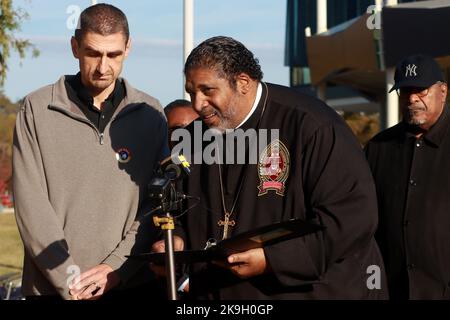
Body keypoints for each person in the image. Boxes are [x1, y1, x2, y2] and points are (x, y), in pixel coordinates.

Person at [154, 36, 388, 299]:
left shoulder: (312, 126)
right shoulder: (195, 138)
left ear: (242, 82)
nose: (197, 104)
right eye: (191, 92)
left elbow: (352, 219)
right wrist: (176, 241)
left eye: (207, 91)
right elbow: (181, 209)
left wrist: (272, 259)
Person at [13, 4, 168, 300]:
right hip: (53, 290)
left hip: (130, 285)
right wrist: (71, 281)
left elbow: (154, 205)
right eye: (93, 53)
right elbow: (30, 206)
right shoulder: (36, 108)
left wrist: (115, 268)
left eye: (114, 55)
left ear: (128, 47)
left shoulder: (151, 114)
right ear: (75, 47)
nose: (102, 67)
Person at [365, 54, 449, 299]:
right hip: (393, 291)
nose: (412, 99)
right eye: (405, 91)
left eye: (421, 90)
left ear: (442, 91)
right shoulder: (378, 147)